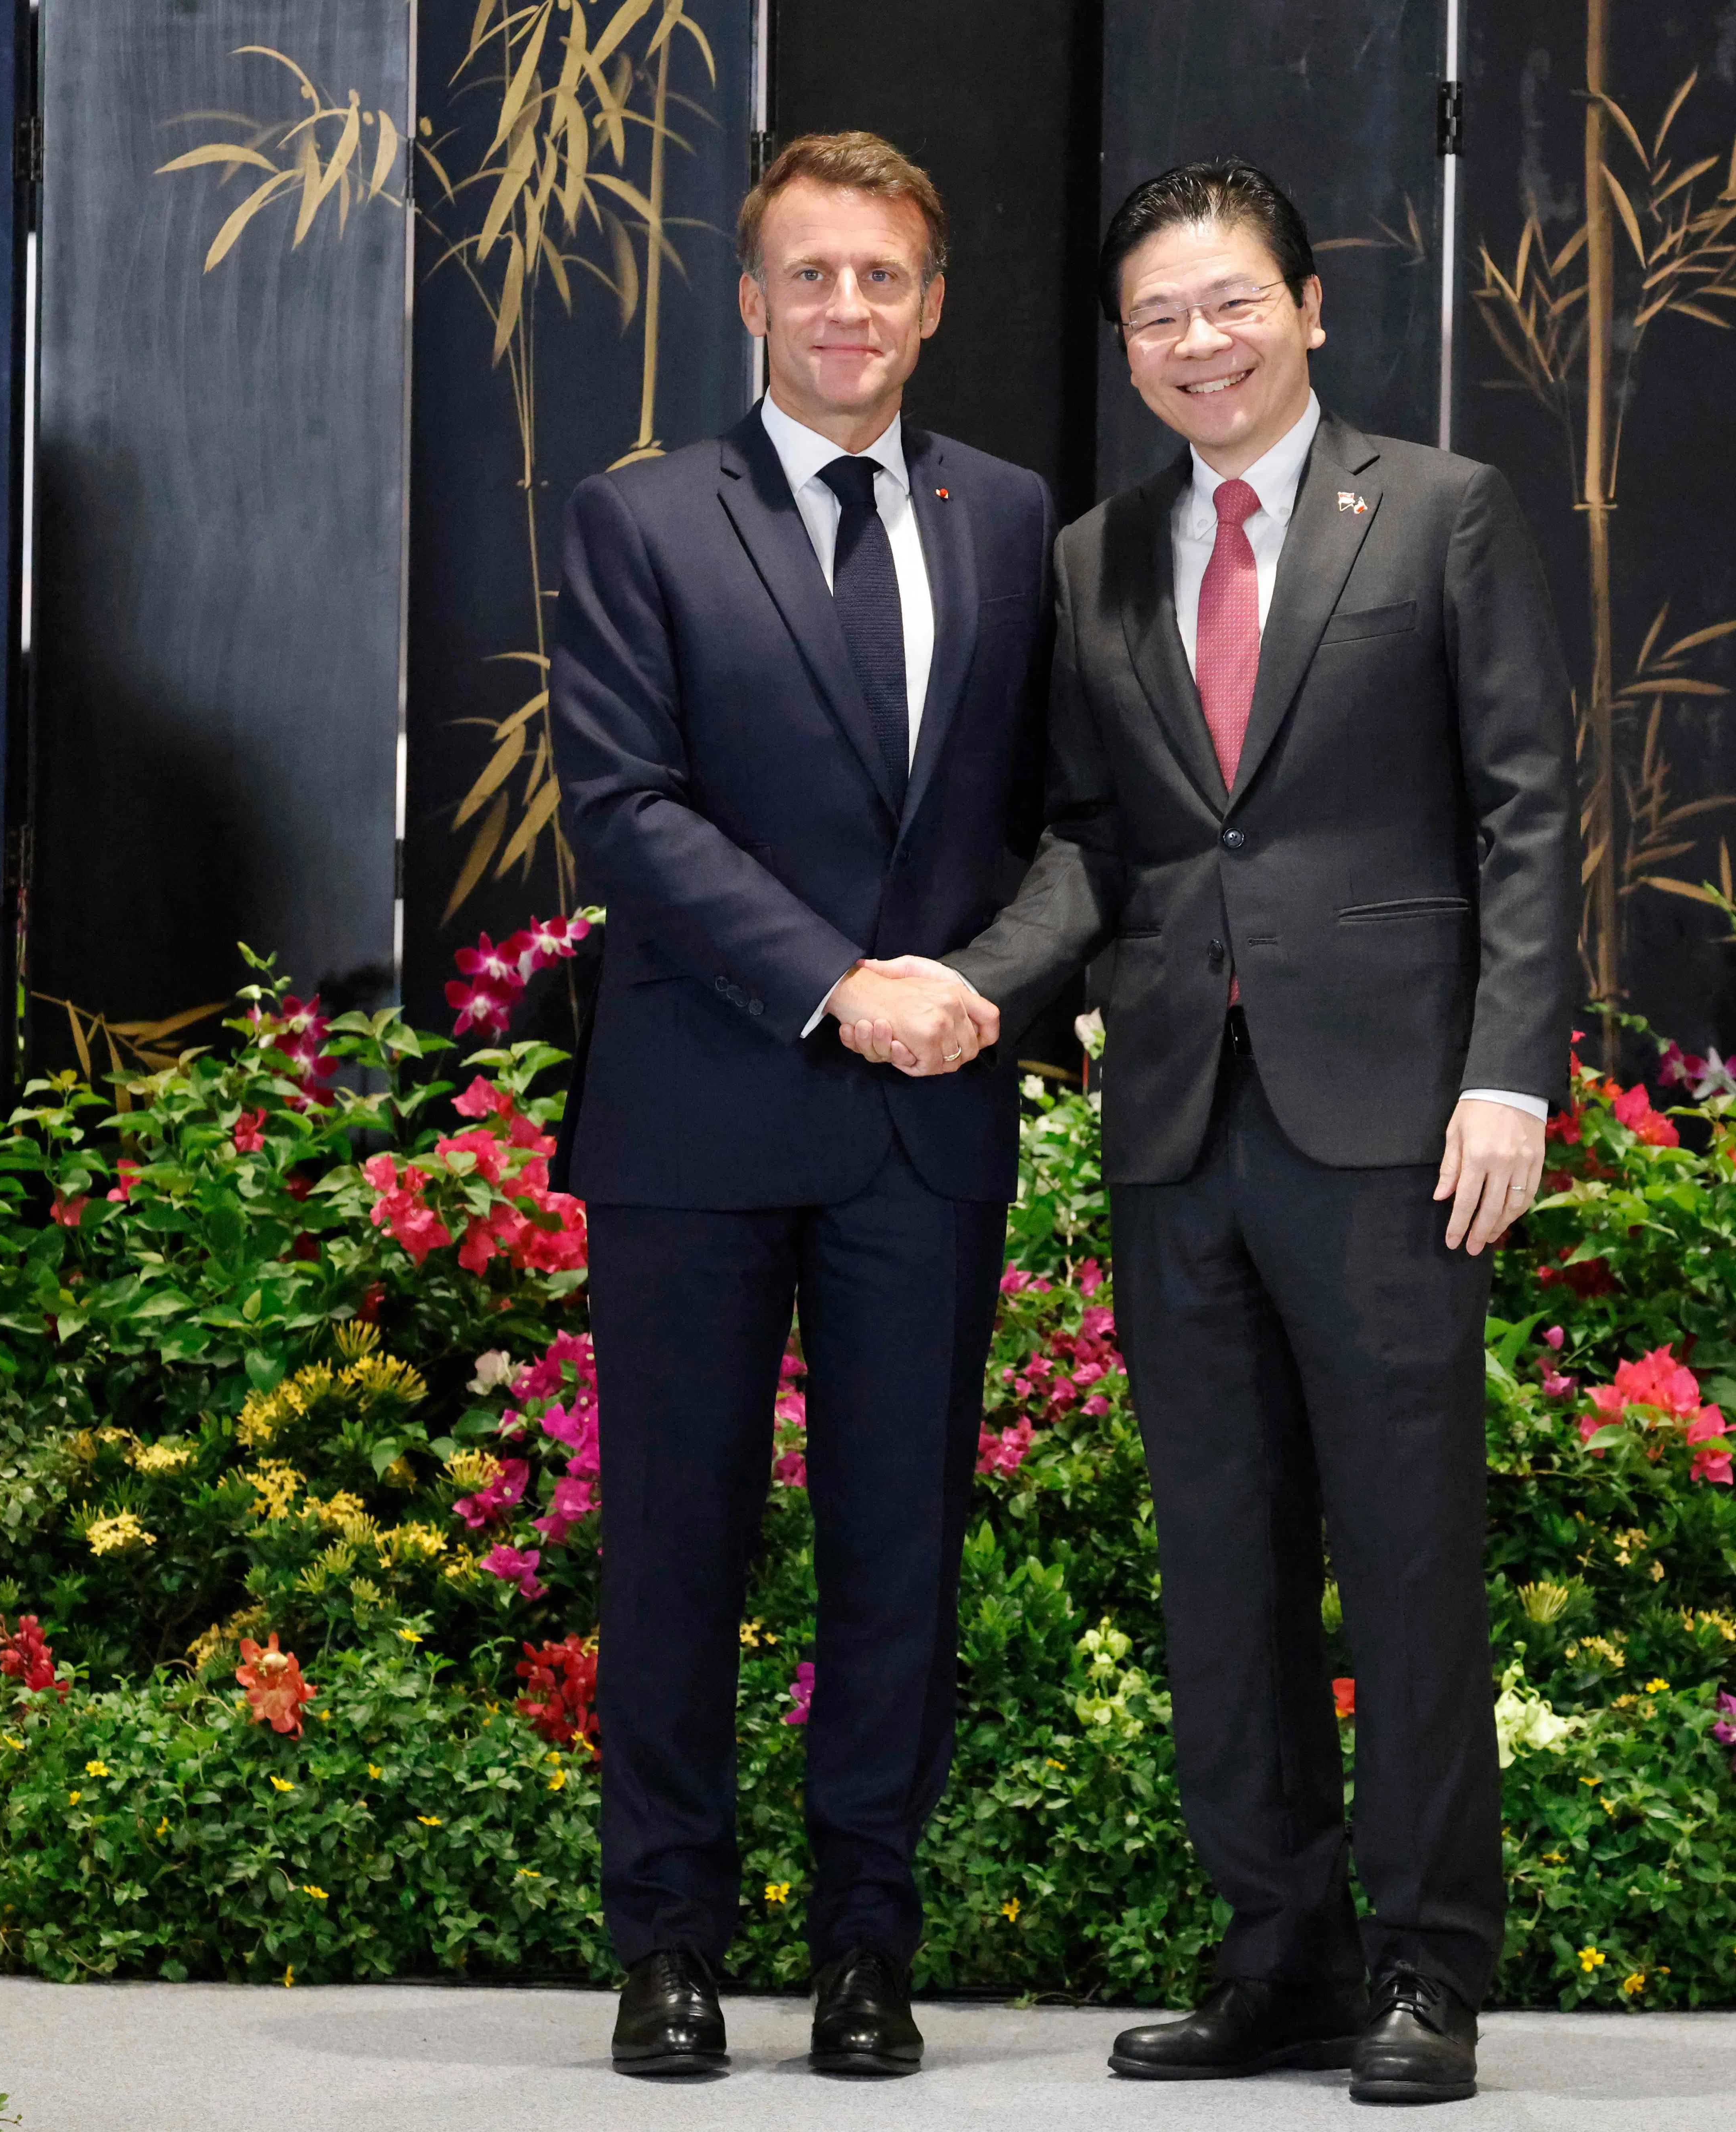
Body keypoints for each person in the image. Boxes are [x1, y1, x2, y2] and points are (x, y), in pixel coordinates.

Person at [852, 158, 1573, 2106]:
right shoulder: (1096, 556)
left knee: (1405, 1552)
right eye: (1159, 317)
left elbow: (1525, 803)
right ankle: (1283, 1960)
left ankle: (1427, 1970)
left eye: (1231, 301)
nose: (1199, 341)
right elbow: (1099, 841)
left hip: (1394, 1117)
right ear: (1126, 347)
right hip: (1176, 1115)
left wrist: (1510, 1071)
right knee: (1221, 1562)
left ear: (1309, 307)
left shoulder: (1441, 510)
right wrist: (973, 986)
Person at [551, 130, 1046, 2083]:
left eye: (884, 276)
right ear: (752, 299)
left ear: (933, 304)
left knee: (898, 1556)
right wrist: (844, 984)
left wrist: (974, 987)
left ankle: (865, 1949)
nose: (850, 307)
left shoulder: (1011, 517)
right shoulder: (640, 518)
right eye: (813, 274)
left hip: (927, 1124)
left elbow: (1061, 818)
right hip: (700, 1112)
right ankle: (667, 1942)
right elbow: (626, 810)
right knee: (675, 1544)